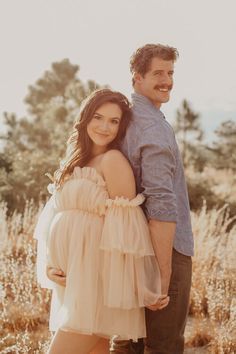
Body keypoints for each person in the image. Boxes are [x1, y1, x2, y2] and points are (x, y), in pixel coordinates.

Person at [34, 88, 168, 354]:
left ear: (121, 127)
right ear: (85, 118)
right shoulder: (75, 161)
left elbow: (129, 231)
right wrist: (50, 264)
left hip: (95, 281)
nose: (105, 127)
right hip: (73, 278)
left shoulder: (113, 161)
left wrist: (142, 285)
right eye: (98, 117)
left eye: (114, 121)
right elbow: (54, 217)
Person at [111, 44, 194, 354]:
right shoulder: (152, 128)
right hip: (165, 249)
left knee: (128, 340)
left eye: (170, 73)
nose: (167, 81)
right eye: (158, 73)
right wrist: (164, 272)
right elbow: (161, 204)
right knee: (164, 345)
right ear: (137, 77)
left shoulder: (125, 119)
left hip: (128, 247)